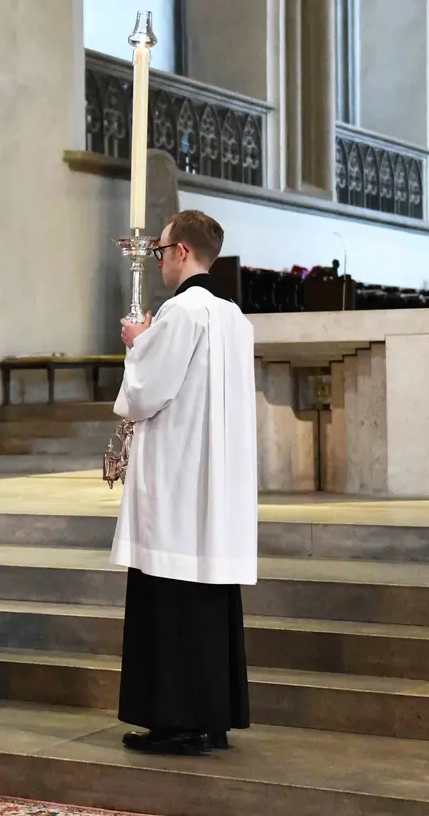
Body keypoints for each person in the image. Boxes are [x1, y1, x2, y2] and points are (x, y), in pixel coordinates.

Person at [112, 209, 257, 756]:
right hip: (215, 488)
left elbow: (146, 394)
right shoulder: (233, 316)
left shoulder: (181, 312)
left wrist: (137, 343)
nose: (157, 261)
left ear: (181, 252)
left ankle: (176, 722)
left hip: (176, 486)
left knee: (170, 601)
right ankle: (212, 718)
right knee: (209, 604)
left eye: (160, 250)